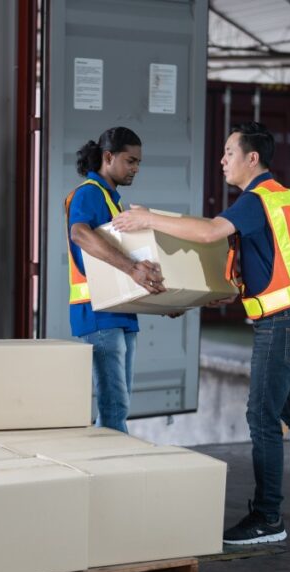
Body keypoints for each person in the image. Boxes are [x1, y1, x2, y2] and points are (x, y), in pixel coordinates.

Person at [112, 121, 290, 543]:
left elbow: (210, 231)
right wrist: (227, 292)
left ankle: (267, 518)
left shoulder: (256, 199)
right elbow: (272, 261)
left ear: (252, 158)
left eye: (229, 152)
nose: (223, 160)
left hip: (281, 323)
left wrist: (148, 218)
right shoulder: (285, 197)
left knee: (261, 416)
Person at [65, 127, 164, 433]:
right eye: (130, 161)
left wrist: (167, 301)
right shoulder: (88, 193)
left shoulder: (111, 200)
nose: (136, 168)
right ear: (108, 157)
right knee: (115, 406)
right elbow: (79, 233)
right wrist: (133, 268)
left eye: (138, 163)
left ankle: (107, 456)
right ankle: (113, 460)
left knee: (119, 404)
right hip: (97, 310)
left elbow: (118, 265)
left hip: (119, 310)